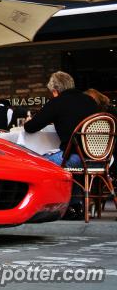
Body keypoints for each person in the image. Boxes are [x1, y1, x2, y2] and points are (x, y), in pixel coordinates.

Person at [24, 71, 98, 219]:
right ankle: (74, 205)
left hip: (76, 157)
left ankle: (48, 206)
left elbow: (31, 127)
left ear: (55, 91)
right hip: (98, 157)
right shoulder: (90, 101)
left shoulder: (57, 102)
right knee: (72, 160)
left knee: (39, 162)